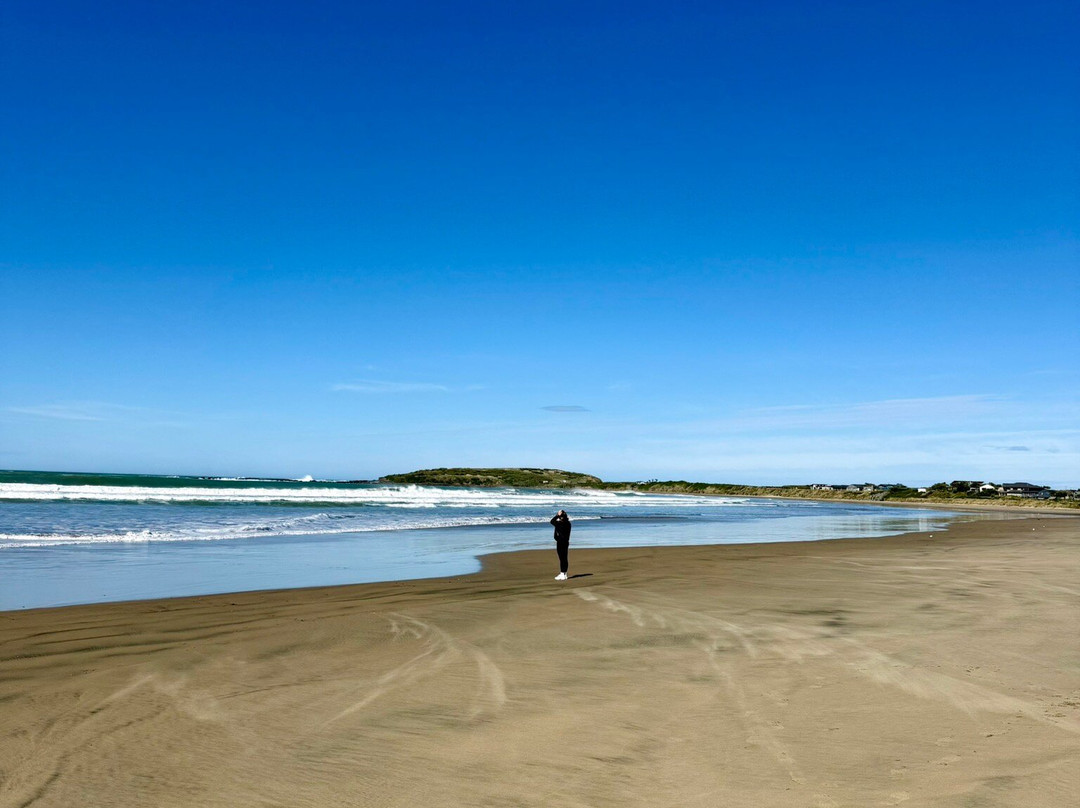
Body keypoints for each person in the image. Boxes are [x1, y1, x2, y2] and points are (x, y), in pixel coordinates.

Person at [550, 510, 571, 580]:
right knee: (564, 558)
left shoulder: (559, 523)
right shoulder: (568, 523)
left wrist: (557, 515)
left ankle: (562, 573)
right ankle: (564, 573)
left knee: (562, 558)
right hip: (566, 542)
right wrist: (559, 515)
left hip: (560, 542)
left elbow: (552, 521)